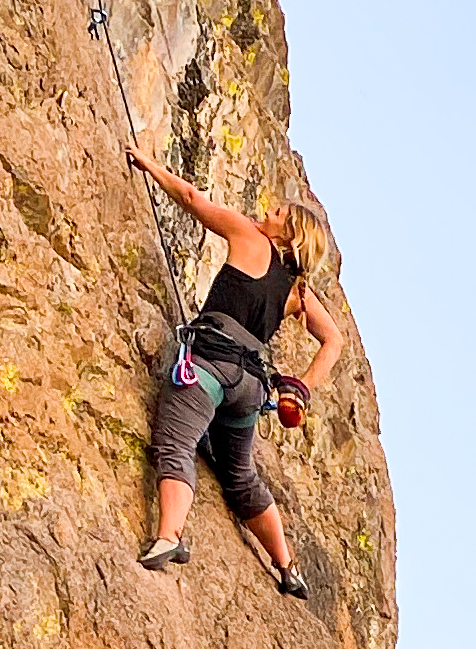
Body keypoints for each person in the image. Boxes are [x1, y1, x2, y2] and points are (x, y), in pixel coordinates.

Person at [125, 144, 342, 598]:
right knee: (240, 476)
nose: (267, 212)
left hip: (208, 366)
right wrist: (301, 386)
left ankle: (169, 537)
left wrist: (150, 166)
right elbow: (333, 340)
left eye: (278, 213)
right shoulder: (298, 292)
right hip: (248, 387)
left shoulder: (249, 238)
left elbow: (191, 199)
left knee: (177, 442)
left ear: (288, 234)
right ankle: (287, 566)